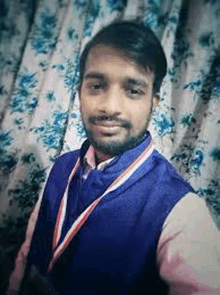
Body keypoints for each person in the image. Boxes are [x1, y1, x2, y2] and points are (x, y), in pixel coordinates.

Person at [9, 21, 220, 295]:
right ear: (80, 93)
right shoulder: (61, 167)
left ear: (153, 101)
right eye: (96, 85)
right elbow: (26, 255)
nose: (109, 107)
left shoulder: (182, 211)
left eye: (133, 90)